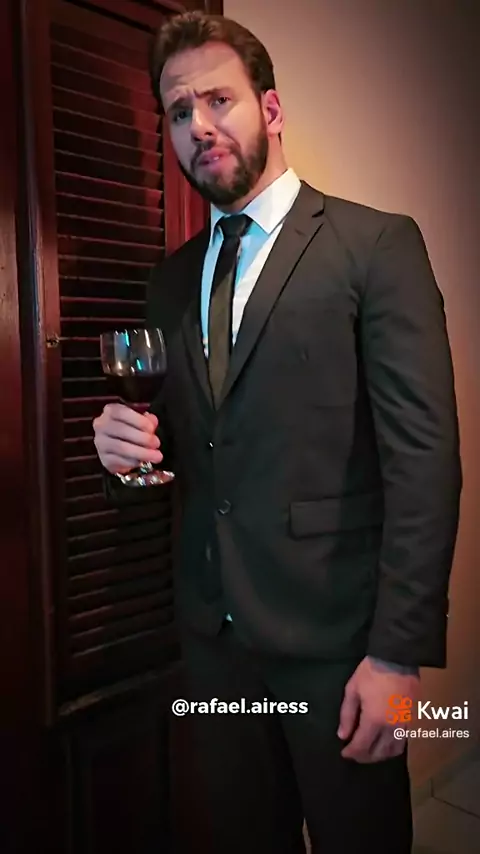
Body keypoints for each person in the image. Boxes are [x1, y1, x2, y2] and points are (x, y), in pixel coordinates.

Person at [93, 11, 462, 853]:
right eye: (178, 112)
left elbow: (424, 462)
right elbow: (184, 457)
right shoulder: (168, 283)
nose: (197, 126)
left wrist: (397, 658)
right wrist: (121, 455)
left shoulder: (375, 246)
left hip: (344, 652)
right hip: (214, 645)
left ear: (271, 107)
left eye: (217, 100)